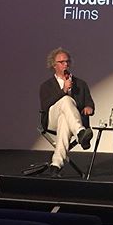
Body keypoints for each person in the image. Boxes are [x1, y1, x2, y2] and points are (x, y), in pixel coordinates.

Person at [39, 47, 95, 178]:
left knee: (64, 120)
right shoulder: (46, 85)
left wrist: (89, 107)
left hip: (68, 121)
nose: (66, 64)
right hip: (51, 119)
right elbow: (45, 105)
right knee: (65, 99)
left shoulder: (81, 83)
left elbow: (90, 103)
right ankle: (80, 132)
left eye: (67, 61)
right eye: (62, 62)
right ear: (54, 65)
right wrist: (63, 90)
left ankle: (56, 165)